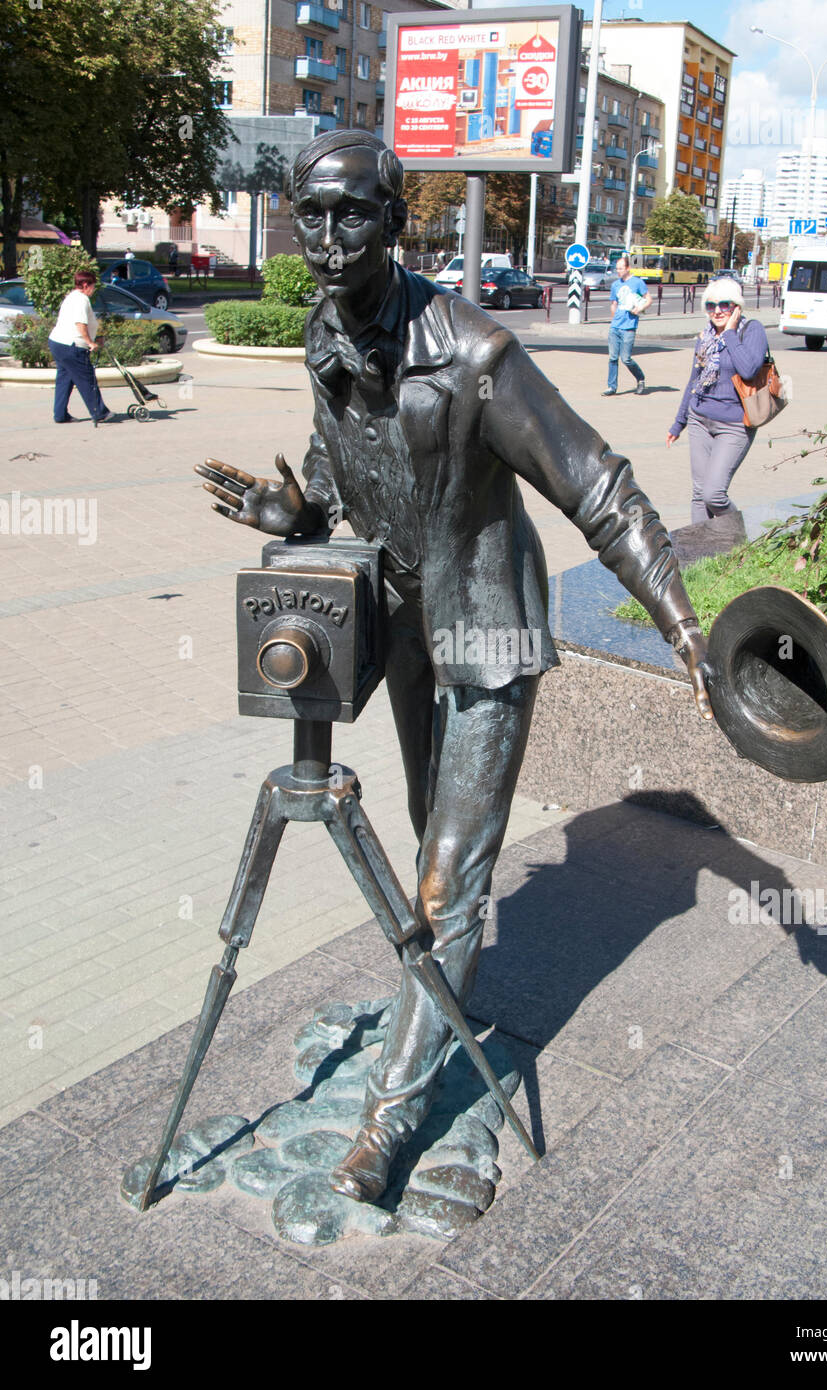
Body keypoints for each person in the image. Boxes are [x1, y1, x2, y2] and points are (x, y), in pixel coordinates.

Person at [195, 131, 712, 1204]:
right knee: (429, 833)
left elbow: (597, 485)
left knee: (449, 878)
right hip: (401, 614)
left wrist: (679, 616)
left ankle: (390, 1124)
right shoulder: (322, 332)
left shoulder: (476, 352)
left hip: (482, 627)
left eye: (354, 217)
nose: (331, 242)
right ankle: (435, 1003)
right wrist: (297, 516)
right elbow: (339, 472)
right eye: (313, 216)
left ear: (394, 221)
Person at [666, 278, 768, 522]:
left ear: (737, 307)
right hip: (699, 419)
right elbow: (694, 380)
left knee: (714, 494)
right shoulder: (705, 337)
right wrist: (679, 423)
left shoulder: (751, 330)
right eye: (711, 306)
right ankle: (700, 556)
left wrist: (730, 333)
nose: (718, 311)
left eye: (725, 304)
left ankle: (740, 539)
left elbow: (749, 370)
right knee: (699, 493)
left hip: (734, 425)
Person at [47, 270, 117, 426]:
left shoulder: (71, 297)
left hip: (58, 343)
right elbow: (80, 324)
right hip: (72, 346)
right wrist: (90, 342)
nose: (93, 289)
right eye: (92, 286)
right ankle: (99, 413)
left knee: (64, 379)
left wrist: (94, 338)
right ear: (85, 285)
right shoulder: (81, 300)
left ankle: (60, 415)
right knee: (87, 379)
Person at [604, 254, 650, 396]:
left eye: (621, 268)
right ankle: (611, 387)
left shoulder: (637, 283)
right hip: (615, 327)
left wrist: (639, 309)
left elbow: (648, 299)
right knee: (612, 358)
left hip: (629, 327)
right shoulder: (615, 285)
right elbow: (614, 303)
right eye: (617, 268)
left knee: (626, 358)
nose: (619, 271)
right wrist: (614, 318)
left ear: (628, 268)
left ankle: (640, 378)